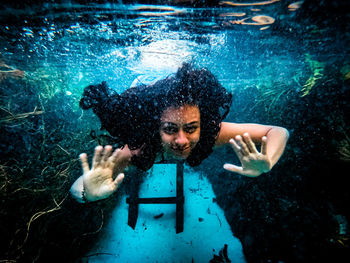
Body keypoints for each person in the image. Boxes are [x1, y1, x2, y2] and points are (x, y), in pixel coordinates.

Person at [70, 63, 289, 203]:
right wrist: (86, 194)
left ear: (202, 124)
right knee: (139, 89)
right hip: (148, 94)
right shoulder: (140, 147)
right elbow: (78, 186)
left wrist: (268, 160)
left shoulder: (211, 132)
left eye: (192, 128)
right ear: (155, 128)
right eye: (170, 129)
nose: (182, 140)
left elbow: (278, 132)